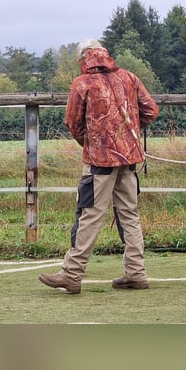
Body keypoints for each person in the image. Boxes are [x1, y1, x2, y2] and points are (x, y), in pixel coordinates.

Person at [38, 39, 159, 294]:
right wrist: (129, 134)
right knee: (129, 215)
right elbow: (151, 110)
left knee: (90, 215)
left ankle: (72, 274)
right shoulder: (129, 77)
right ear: (106, 54)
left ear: (83, 58)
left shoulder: (82, 83)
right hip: (129, 159)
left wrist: (90, 142)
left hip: (99, 163)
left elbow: (72, 123)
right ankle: (136, 273)